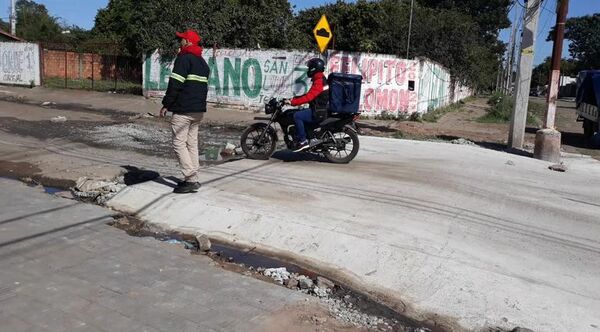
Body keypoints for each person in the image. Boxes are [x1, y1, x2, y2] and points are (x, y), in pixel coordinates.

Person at [159, 29, 210, 194]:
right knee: (191, 144)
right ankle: (193, 177)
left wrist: (166, 104)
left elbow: (175, 84)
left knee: (178, 143)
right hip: (198, 111)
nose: (179, 42)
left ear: (187, 42)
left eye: (181, 40)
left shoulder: (183, 59)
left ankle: (190, 178)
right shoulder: (202, 62)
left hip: (183, 109)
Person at [288, 58, 328, 152]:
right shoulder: (318, 79)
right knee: (299, 113)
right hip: (318, 109)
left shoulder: (319, 81)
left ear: (314, 68)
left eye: (310, 67)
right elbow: (309, 95)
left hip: (318, 111)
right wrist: (293, 99)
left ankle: (303, 141)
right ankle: (306, 136)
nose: (308, 70)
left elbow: (309, 97)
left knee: (297, 116)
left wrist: (293, 103)